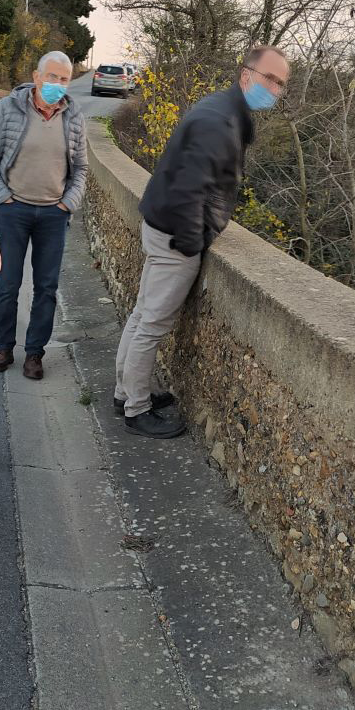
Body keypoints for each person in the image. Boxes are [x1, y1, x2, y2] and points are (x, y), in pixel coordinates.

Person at [115, 45, 290, 439]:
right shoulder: (220, 121)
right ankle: (135, 409)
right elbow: (190, 187)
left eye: (281, 84)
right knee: (151, 323)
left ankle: (124, 392)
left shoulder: (221, 109)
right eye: (270, 79)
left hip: (162, 224)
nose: (275, 90)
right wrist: (195, 241)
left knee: (143, 315)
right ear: (246, 75)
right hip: (176, 234)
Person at [0, 51, 87, 380]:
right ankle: (3, 348)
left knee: (46, 288)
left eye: (64, 79)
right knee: (8, 284)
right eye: (52, 76)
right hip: (13, 210)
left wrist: (67, 203)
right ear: (36, 76)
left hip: (53, 215)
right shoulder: (8, 109)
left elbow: (81, 168)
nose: (57, 83)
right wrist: (3, 198)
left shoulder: (73, 116)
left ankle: (34, 353)